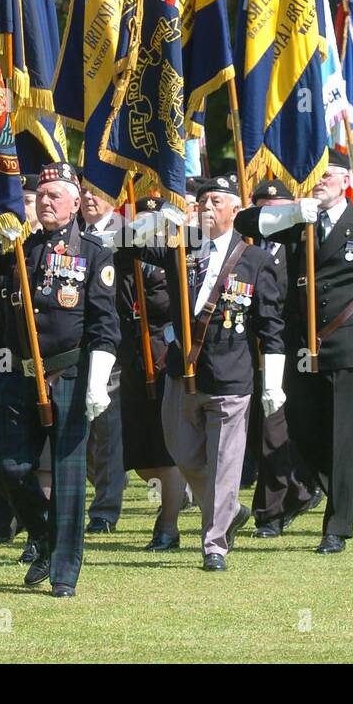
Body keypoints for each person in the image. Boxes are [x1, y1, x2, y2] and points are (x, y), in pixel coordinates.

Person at [0, 162, 119, 597]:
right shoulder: (17, 248)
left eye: (55, 195)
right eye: (40, 195)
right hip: (18, 375)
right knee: (8, 466)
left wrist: (97, 380)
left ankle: (64, 571)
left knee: (67, 475)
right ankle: (43, 534)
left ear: (76, 203)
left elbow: (104, 325)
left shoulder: (95, 254)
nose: (45, 201)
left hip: (71, 373)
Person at [235, 153, 353, 555]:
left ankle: (337, 526)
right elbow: (244, 223)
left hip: (347, 344)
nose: (319, 181)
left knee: (343, 437)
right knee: (301, 430)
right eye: (314, 175)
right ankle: (343, 494)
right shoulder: (299, 223)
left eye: (326, 175)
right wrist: (292, 212)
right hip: (301, 344)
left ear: (346, 180)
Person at [123, 176, 284, 570]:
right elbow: (126, 243)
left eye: (216, 200)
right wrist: (161, 221)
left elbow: (271, 325)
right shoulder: (182, 247)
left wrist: (274, 382)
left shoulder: (256, 261)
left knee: (226, 463)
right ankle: (228, 510)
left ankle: (215, 545)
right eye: (202, 201)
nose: (207, 207)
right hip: (183, 372)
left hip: (231, 375)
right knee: (184, 454)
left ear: (235, 210)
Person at [246, 180, 321, 538]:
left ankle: (272, 510)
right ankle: (302, 490)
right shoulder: (244, 246)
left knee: (281, 429)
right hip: (249, 348)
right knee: (265, 430)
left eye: (282, 208)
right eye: (266, 208)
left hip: (294, 348)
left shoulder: (304, 244)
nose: (274, 214)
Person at [112, 196, 188, 550]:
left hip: (161, 357)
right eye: (138, 222)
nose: (144, 229)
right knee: (141, 459)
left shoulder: (170, 258)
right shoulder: (125, 258)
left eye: (150, 223)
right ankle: (197, 497)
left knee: (163, 450)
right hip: (131, 361)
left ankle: (168, 527)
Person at [77, 187, 128, 533]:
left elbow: (193, 235)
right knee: (81, 433)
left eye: (98, 191)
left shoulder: (131, 230)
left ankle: (105, 510)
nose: (90, 197)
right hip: (74, 343)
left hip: (113, 344)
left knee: (108, 431)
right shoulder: (72, 233)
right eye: (85, 191)